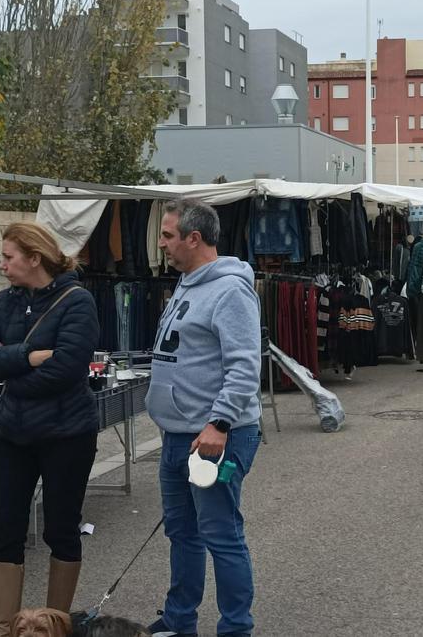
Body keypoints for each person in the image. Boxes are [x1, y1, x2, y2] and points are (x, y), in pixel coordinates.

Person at [0, 222, 100, 637]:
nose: (3, 265)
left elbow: (67, 368)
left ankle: (55, 627)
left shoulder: (77, 302)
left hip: (67, 434)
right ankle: (1, 629)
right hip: (13, 433)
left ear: (34, 257)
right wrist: (28, 356)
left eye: (9, 257)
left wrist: (8, 368)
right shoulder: (4, 302)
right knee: (5, 529)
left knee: (61, 529)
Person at [147, 200, 262, 637]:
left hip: (214, 438)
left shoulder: (230, 290)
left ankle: (235, 629)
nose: (162, 244)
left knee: (221, 535)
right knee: (182, 533)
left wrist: (220, 425)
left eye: (168, 235)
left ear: (194, 239)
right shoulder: (187, 283)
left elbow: (244, 365)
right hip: (179, 435)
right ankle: (179, 621)